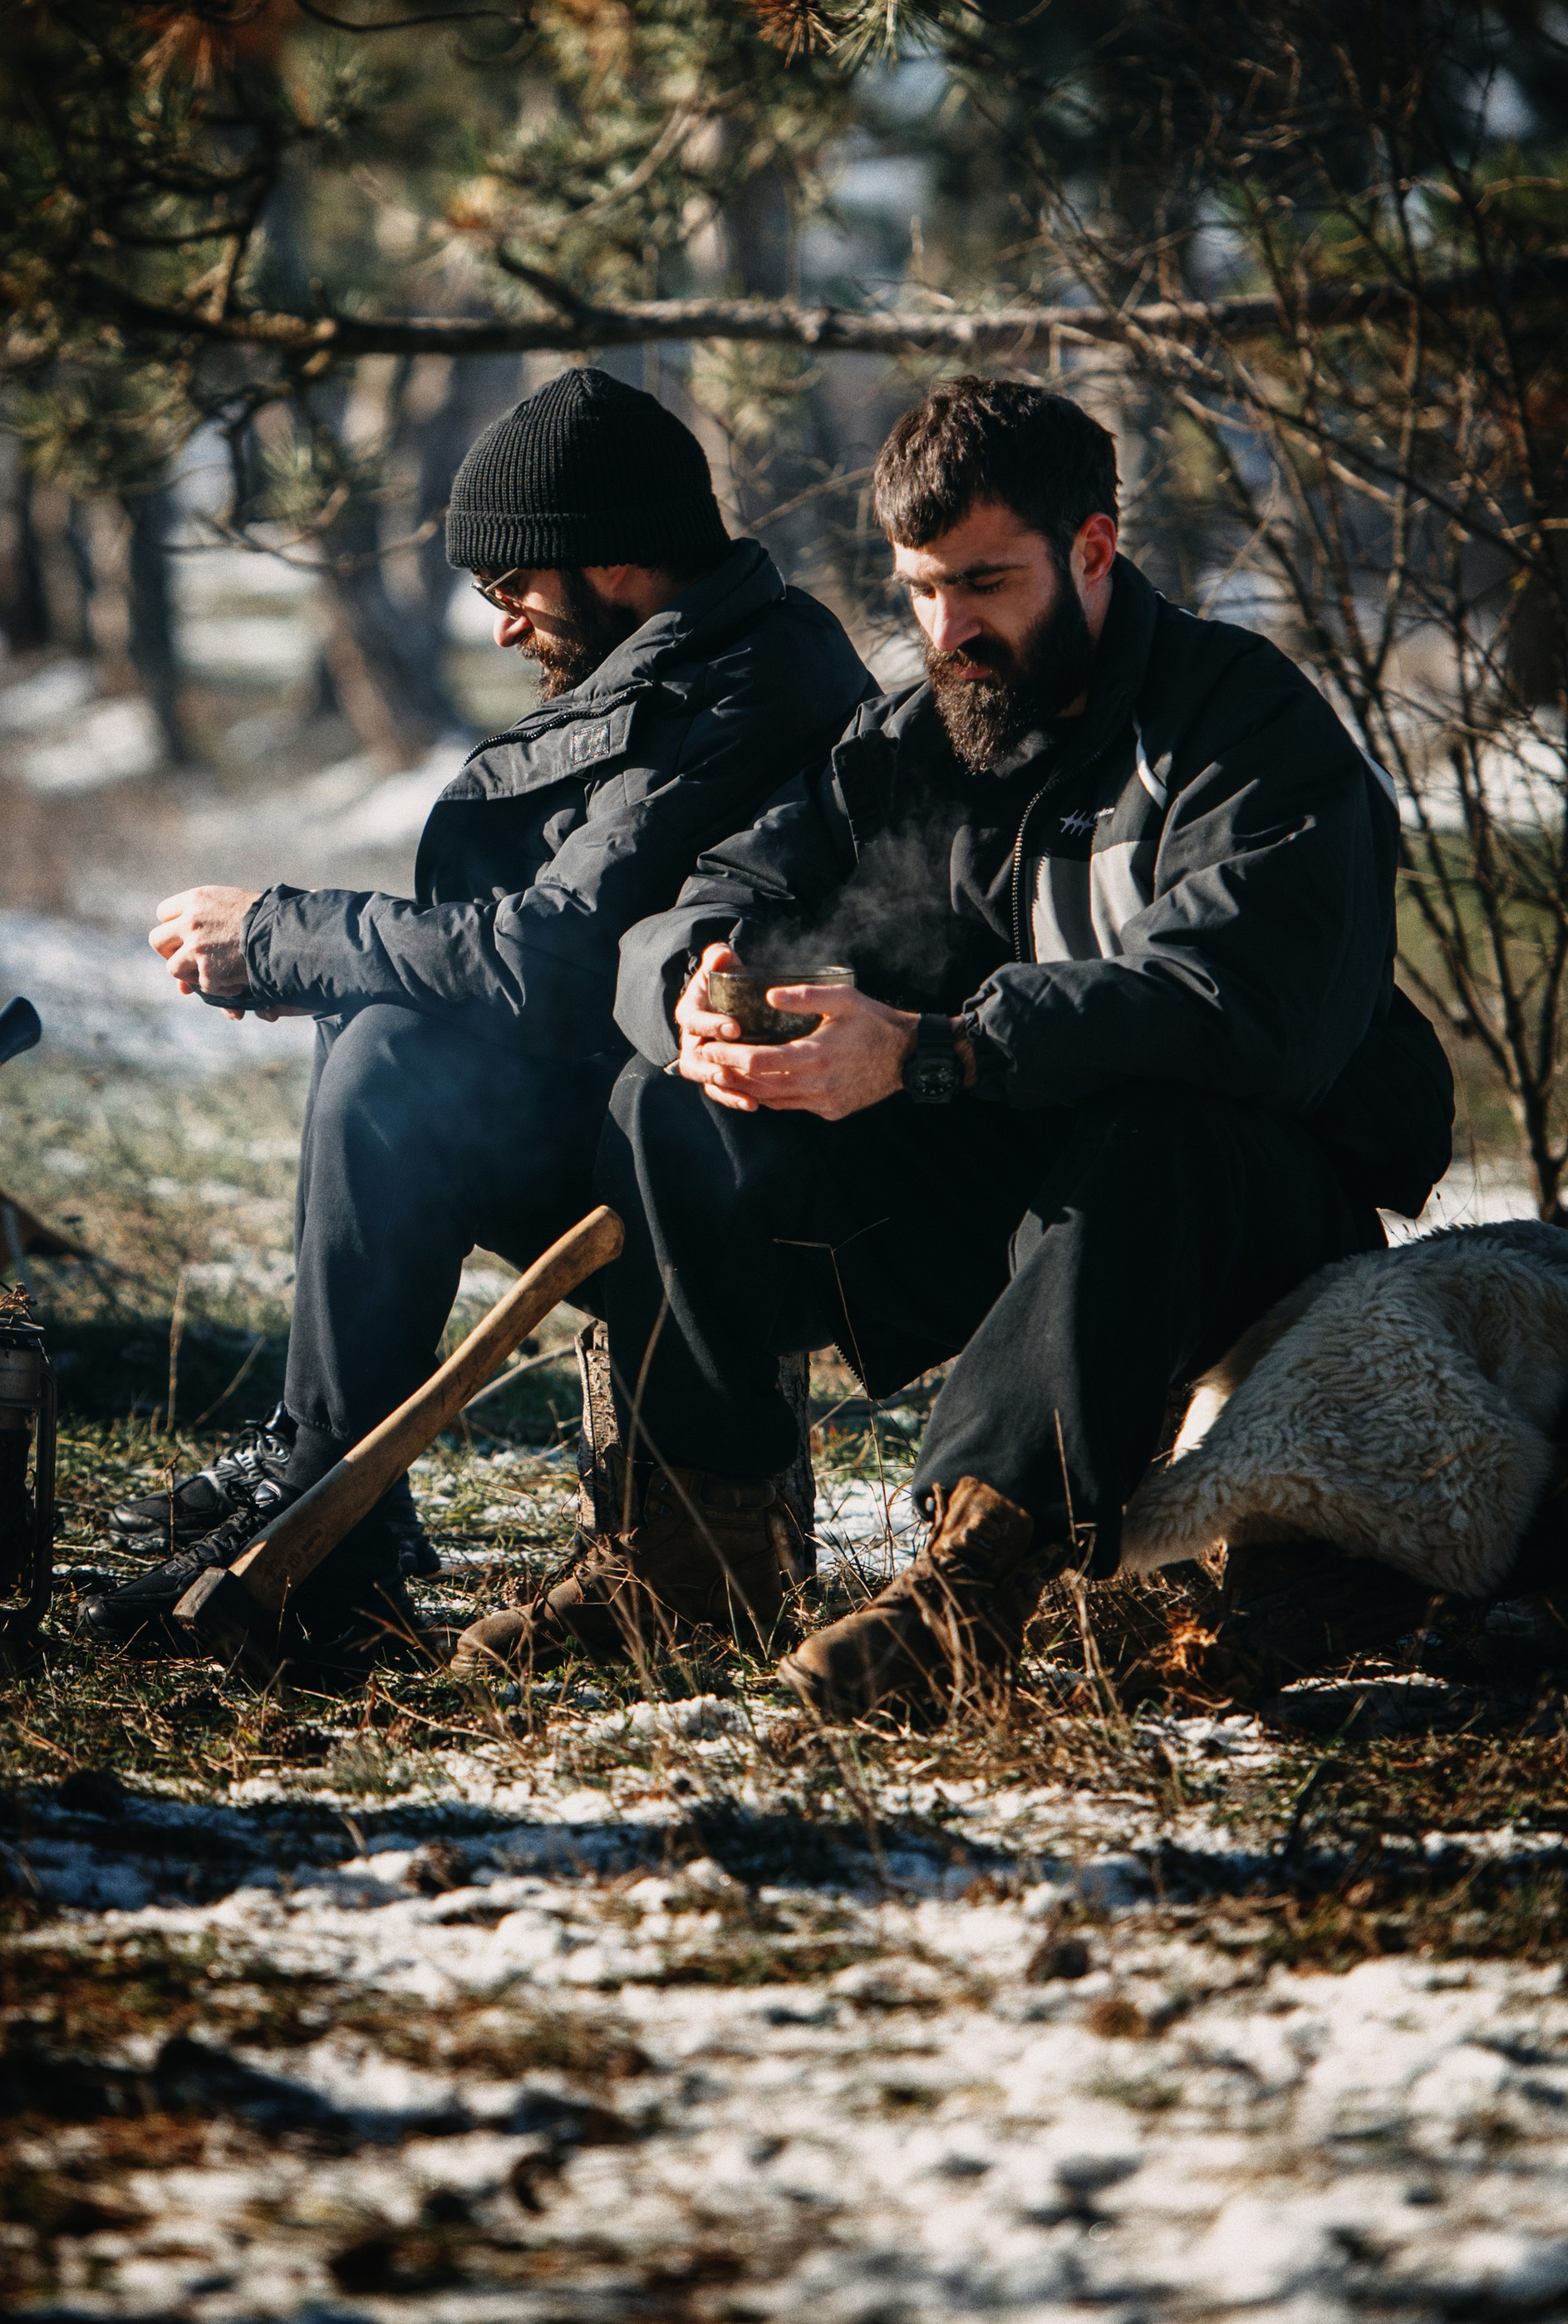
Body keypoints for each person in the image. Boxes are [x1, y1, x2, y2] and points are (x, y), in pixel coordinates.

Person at [455, 372, 1454, 1710]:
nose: (948, 627)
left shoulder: (1245, 725)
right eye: (921, 588)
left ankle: (972, 1585)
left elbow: (1247, 1012)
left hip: (1240, 1202)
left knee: (1145, 1136)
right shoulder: (917, 730)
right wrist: (696, 978)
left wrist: (935, 1051)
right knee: (666, 1101)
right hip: (1006, 1178)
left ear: (1093, 549)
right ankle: (695, 1554)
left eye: (985, 583)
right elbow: (714, 891)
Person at [81, 364, 869, 1658]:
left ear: (610, 563)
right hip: (663, 1126)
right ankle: (338, 1494)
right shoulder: (700, 662)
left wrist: (285, 935)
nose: (504, 628)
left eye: (512, 589)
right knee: (390, 1027)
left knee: (396, 1054)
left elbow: (553, 964)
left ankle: (330, 1515)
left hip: (752, 1184)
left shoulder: (743, 694)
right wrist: (330, 964)